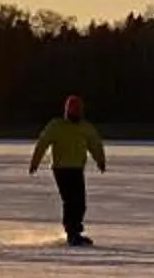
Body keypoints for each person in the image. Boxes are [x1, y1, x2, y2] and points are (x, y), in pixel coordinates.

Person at [30, 96, 107, 244]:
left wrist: (100, 160)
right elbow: (42, 143)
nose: (76, 114)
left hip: (77, 169)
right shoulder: (56, 126)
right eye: (74, 111)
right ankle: (72, 232)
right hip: (61, 169)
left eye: (78, 111)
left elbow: (95, 144)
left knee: (80, 203)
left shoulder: (85, 128)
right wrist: (35, 162)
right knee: (71, 201)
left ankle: (75, 231)